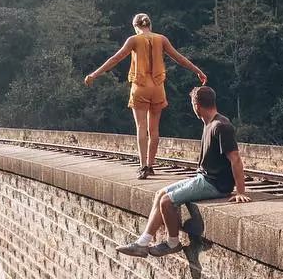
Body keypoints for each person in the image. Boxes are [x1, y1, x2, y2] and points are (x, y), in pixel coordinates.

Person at [116, 86, 251, 257]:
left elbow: (236, 159)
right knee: (160, 194)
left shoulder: (221, 126)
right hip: (203, 178)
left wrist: (240, 191)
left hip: (214, 184)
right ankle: (142, 243)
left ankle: (173, 243)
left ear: (196, 105)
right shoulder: (209, 123)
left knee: (167, 202)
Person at [84, 13, 206, 179]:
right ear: (150, 25)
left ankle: (142, 167)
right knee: (154, 129)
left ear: (135, 26)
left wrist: (94, 74)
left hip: (140, 87)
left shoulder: (133, 40)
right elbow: (179, 58)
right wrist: (197, 71)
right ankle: (150, 165)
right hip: (157, 88)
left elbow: (116, 58)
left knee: (141, 128)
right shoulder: (161, 39)